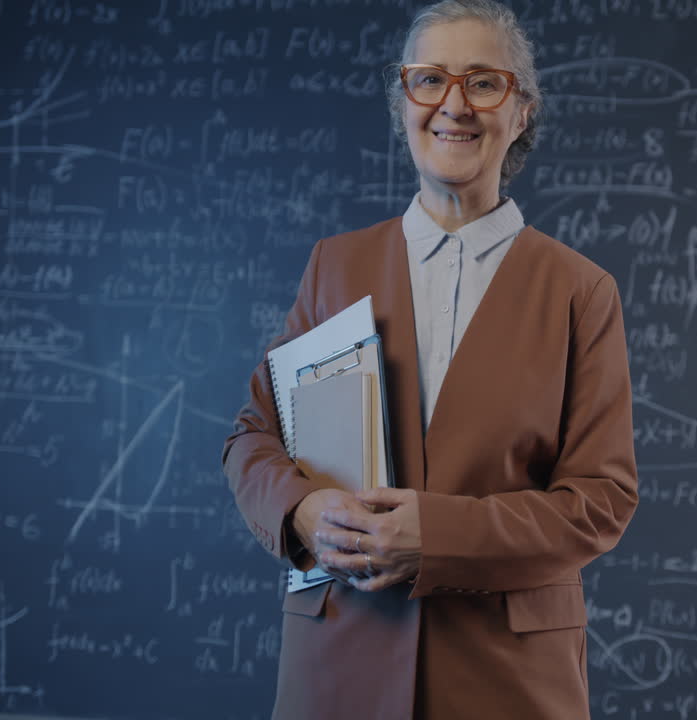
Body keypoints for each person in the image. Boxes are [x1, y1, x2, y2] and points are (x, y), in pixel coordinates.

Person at [222, 1, 638, 717]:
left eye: (483, 83)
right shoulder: (334, 266)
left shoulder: (580, 291)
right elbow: (251, 439)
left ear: (522, 112)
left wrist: (439, 537)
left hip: (506, 679)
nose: (454, 105)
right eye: (428, 80)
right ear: (402, 103)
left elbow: (599, 504)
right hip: (337, 667)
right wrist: (302, 509)